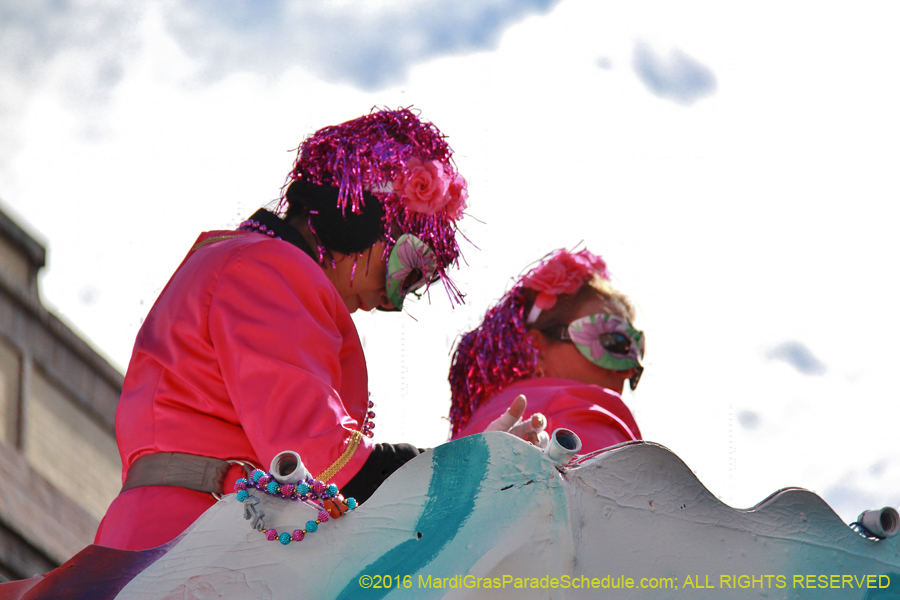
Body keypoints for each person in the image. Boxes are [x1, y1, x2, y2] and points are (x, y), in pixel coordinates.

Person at [94, 107, 507, 551]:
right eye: (409, 269)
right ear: (358, 216)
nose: (393, 301)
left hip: (191, 535)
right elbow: (325, 462)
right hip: (195, 543)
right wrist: (475, 467)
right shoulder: (266, 268)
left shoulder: (241, 261)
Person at [449, 248, 644, 453]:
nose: (629, 369)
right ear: (538, 346)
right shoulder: (581, 412)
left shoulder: (480, 424)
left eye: (637, 348)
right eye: (613, 340)